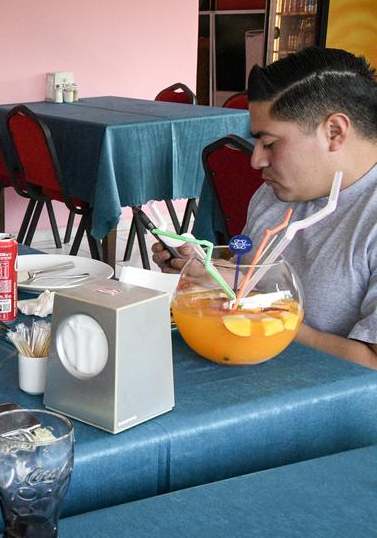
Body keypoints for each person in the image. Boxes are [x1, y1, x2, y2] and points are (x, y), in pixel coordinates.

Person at [153, 47, 377, 369]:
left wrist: (269, 321)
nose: (256, 160)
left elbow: (371, 363)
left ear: (334, 132)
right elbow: (259, 279)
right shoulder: (275, 194)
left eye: (269, 144)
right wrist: (210, 271)